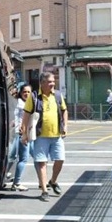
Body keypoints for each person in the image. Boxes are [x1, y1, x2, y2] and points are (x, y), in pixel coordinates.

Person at [21, 72, 68, 202]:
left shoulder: (58, 95)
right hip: (40, 136)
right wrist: (24, 133)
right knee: (42, 163)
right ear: (42, 83)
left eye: (53, 81)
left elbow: (64, 110)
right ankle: (44, 190)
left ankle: (53, 181)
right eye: (50, 82)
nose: (53, 84)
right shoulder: (34, 97)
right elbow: (26, 116)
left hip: (56, 135)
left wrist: (65, 126)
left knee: (60, 160)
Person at [7, 83, 32, 191]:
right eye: (24, 92)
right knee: (23, 158)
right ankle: (16, 182)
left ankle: (6, 176)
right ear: (20, 93)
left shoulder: (23, 103)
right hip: (21, 133)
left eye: (28, 92)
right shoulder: (22, 104)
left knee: (14, 156)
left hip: (23, 133)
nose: (26, 94)